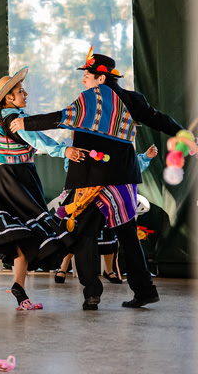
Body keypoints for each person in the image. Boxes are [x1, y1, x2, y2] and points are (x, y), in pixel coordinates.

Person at [10, 48, 182, 309]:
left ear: (101, 79)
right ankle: (144, 289)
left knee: (85, 234)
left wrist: (27, 123)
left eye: (87, 76)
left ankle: (92, 291)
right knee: (127, 234)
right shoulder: (133, 100)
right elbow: (159, 119)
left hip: (92, 177)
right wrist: (183, 134)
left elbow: (62, 117)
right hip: (123, 177)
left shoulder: (92, 99)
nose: (84, 81)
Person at [0, 68, 76, 310]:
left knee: (4, 229)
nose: (25, 94)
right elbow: (37, 140)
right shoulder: (14, 119)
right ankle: (18, 288)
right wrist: (62, 150)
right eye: (19, 91)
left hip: (1, 177)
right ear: (8, 98)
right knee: (22, 231)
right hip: (16, 179)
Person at [54, 145, 157, 284]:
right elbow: (70, 169)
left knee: (108, 233)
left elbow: (128, 167)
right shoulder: (81, 142)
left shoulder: (116, 145)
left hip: (108, 196)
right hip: (83, 196)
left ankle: (109, 270)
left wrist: (145, 157)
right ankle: (63, 267)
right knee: (75, 233)